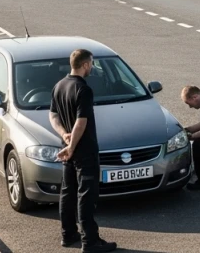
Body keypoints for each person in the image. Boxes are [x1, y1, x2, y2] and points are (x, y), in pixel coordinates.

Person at [49, 49, 117, 253]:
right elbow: (82, 121)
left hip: (68, 150)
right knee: (86, 195)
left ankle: (68, 234)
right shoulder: (83, 89)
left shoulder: (59, 85)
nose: (92, 68)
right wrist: (72, 144)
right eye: (92, 64)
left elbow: (52, 115)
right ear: (85, 64)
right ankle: (90, 241)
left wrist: (64, 136)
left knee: (67, 192)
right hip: (84, 150)